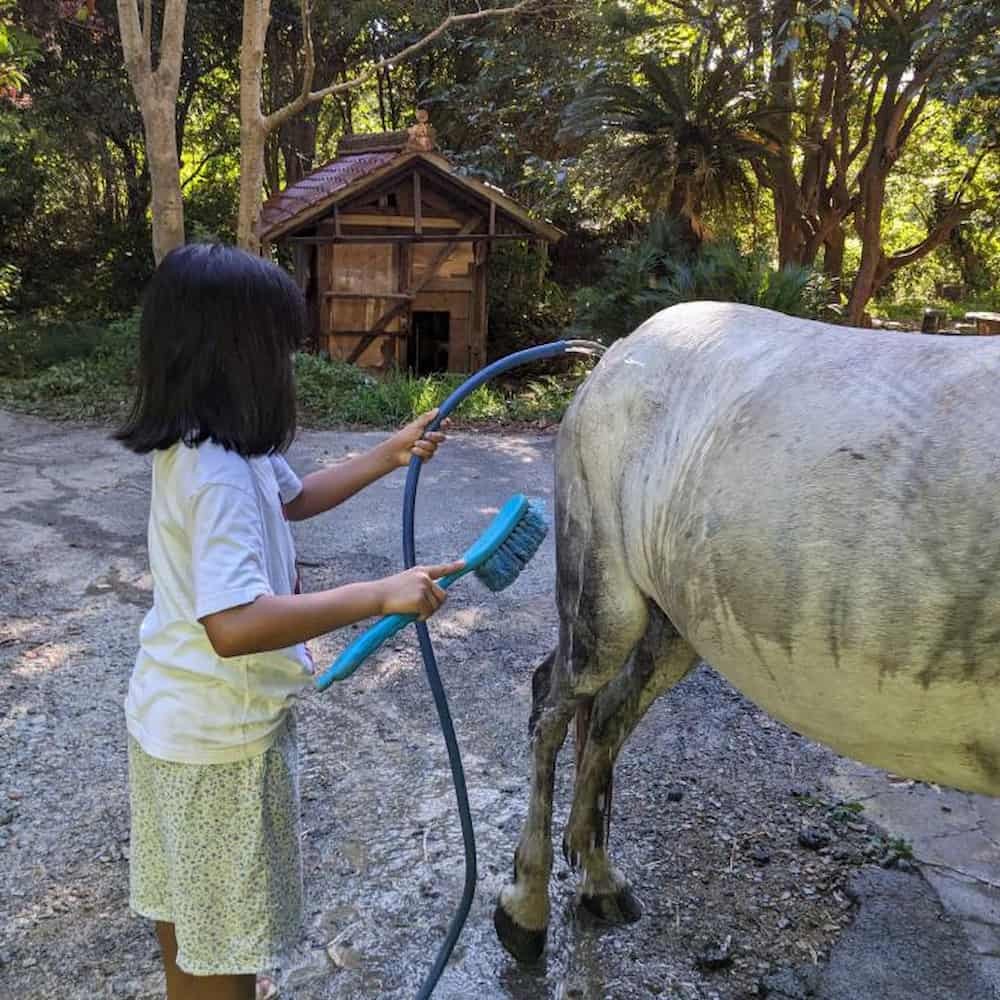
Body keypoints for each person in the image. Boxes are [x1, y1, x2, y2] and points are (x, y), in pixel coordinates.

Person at [115, 242, 462, 1000]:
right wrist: (379, 594)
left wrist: (386, 454)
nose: (291, 363)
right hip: (219, 743)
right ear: (235, 357)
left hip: (177, 723)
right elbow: (234, 624)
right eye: (280, 346)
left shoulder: (213, 448)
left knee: (194, 917)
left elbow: (296, 496)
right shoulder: (217, 477)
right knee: (224, 942)